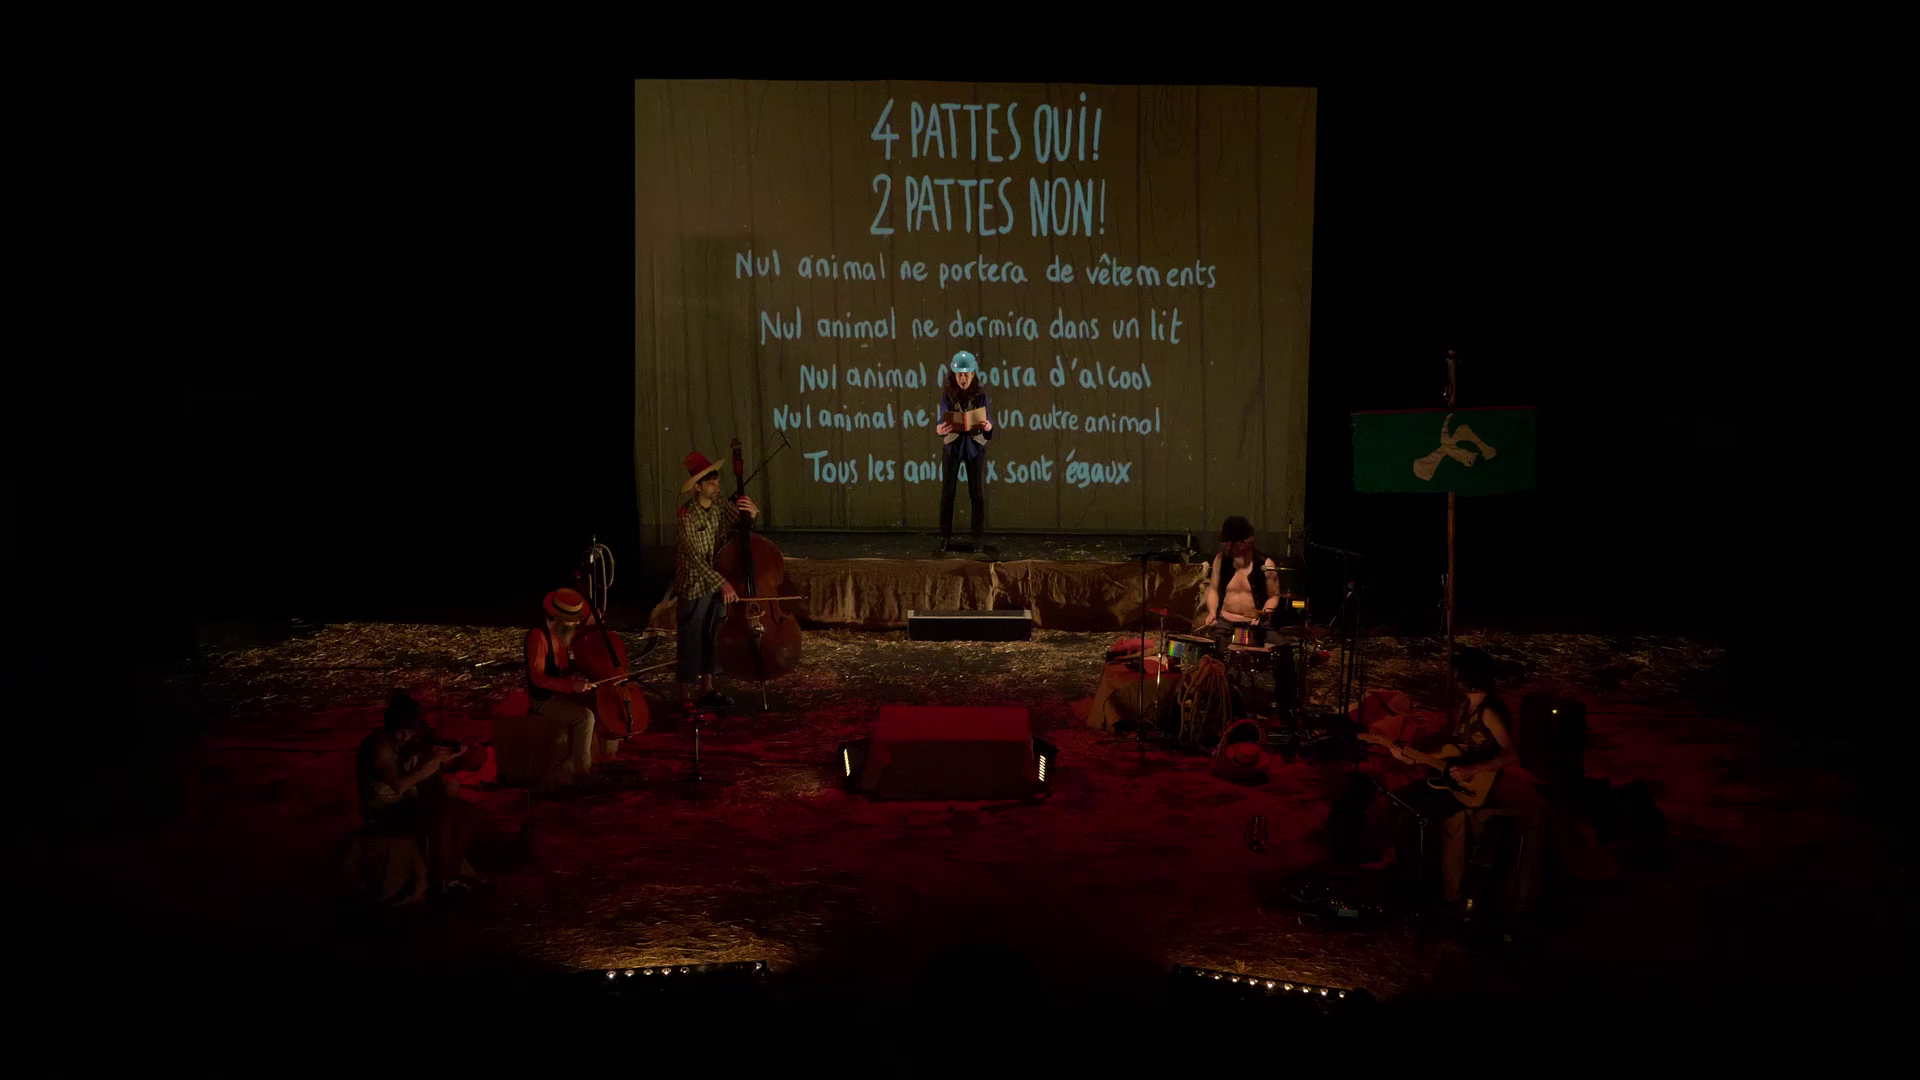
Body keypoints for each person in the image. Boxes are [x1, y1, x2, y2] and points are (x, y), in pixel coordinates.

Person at [1373, 647, 1523, 904]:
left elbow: (1512, 754)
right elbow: (1451, 752)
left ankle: (1418, 886)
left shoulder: (1489, 711)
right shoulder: (1467, 707)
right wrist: (1410, 756)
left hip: (1471, 787)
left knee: (1409, 819)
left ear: (1468, 676)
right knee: (1398, 799)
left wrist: (1473, 769)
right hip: (1451, 780)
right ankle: (1406, 871)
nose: (1454, 679)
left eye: (1457, 674)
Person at [355, 692, 481, 900]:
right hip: (383, 813)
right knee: (441, 816)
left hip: (405, 807)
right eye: (402, 732)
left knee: (464, 811)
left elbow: (432, 757)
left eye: (410, 732)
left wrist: (456, 753)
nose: (405, 737)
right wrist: (431, 763)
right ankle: (439, 883)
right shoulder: (378, 747)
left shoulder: (407, 742)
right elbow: (399, 785)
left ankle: (452, 874)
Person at [676, 449, 758, 708]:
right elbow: (694, 559)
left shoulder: (720, 502)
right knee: (691, 637)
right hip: (695, 583)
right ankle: (685, 693)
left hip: (718, 581)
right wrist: (723, 583)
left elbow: (738, 524)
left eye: (717, 481)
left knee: (712, 634)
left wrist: (750, 514)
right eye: (710, 483)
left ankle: (707, 687)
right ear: (697, 487)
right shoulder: (687, 515)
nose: (716, 486)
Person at [1197, 516, 1293, 719]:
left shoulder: (1265, 564)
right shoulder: (1221, 560)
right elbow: (1213, 589)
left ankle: (1286, 707)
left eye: (1230, 544)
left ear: (1243, 542)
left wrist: (1264, 613)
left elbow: (1274, 596)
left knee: (1284, 652)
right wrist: (1212, 612)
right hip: (1226, 622)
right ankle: (1214, 703)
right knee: (1207, 653)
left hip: (1255, 624)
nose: (1226, 548)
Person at [524, 587, 601, 786]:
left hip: (561, 692)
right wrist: (571, 685)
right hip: (544, 698)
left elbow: (563, 666)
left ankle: (603, 757)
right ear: (558, 617)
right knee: (585, 717)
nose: (576, 623)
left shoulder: (560, 632)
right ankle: (581, 773)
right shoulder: (538, 637)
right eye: (573, 620)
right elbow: (537, 679)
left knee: (599, 702)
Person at [933, 350, 993, 552]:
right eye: (960, 375)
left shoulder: (981, 395)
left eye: (966, 374)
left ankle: (977, 538)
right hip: (953, 446)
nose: (963, 378)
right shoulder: (947, 394)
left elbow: (989, 423)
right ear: (954, 375)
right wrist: (940, 429)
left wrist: (988, 426)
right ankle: (944, 537)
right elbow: (940, 421)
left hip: (974, 446)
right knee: (947, 494)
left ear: (973, 374)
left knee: (976, 494)